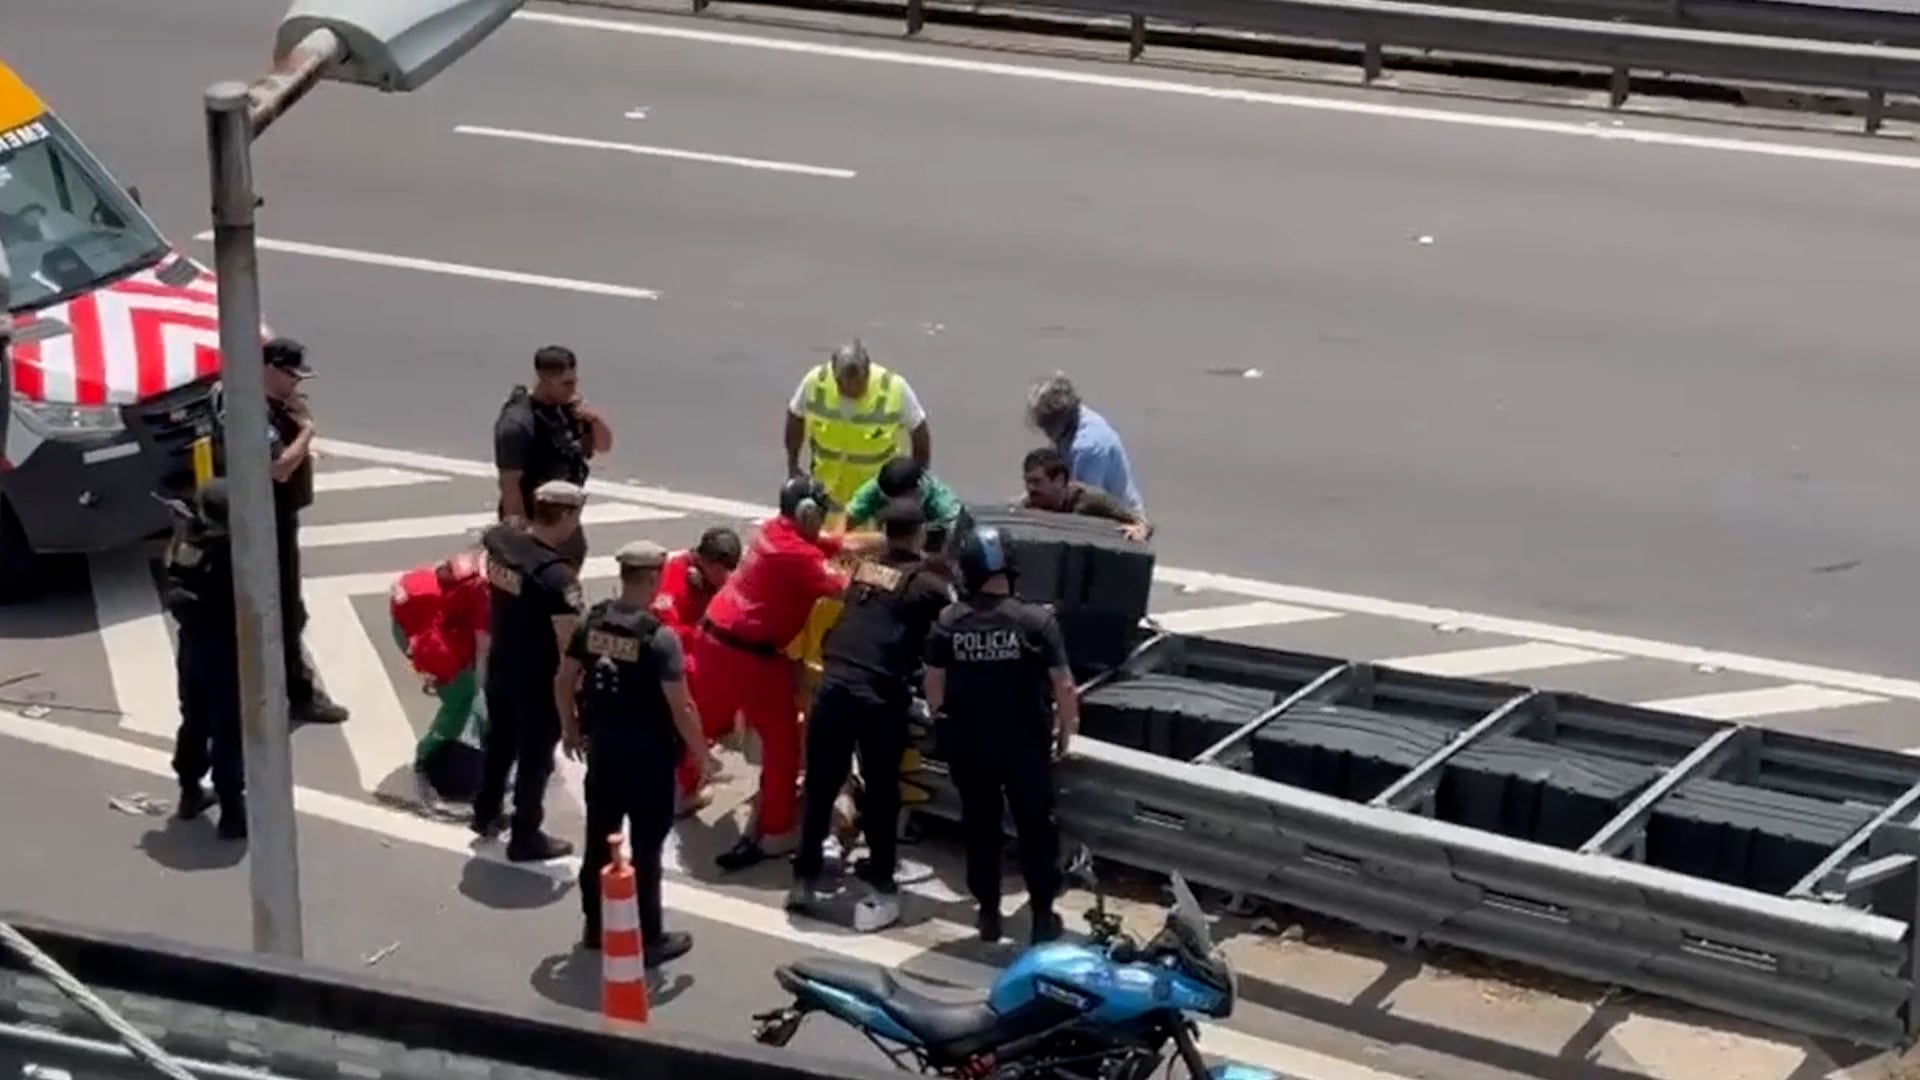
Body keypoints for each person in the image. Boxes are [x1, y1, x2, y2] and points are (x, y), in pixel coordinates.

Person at [693, 477, 885, 872]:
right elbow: (847, 587)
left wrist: (882, 540)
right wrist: (893, 572)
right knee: (782, 742)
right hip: (749, 656)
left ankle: (681, 788)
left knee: (706, 719)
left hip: (713, 639)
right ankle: (775, 832)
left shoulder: (773, 532)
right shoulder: (798, 557)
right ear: (808, 514)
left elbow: (838, 544)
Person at [789, 499, 955, 932]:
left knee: (821, 786)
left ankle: (804, 879)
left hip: (833, 685)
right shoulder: (927, 584)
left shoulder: (864, 570)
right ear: (920, 534)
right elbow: (953, 626)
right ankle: (882, 880)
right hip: (878, 695)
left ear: (883, 530)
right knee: (882, 791)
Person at [924, 524, 1080, 945]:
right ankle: (1042, 915)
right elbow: (1064, 686)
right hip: (1025, 747)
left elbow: (934, 686)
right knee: (1036, 829)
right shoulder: (1036, 622)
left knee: (980, 828)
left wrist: (944, 721)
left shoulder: (949, 623)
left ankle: (989, 914)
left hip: (970, 747)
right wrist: (1066, 731)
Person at [559, 540, 708, 966]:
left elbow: (564, 679)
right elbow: (681, 708)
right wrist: (702, 754)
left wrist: (570, 727)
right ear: (653, 578)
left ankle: (594, 926)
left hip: (604, 753)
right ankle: (650, 937)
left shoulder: (592, 623)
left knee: (598, 841)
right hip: (648, 762)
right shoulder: (660, 639)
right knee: (646, 850)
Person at [471, 480, 588, 862]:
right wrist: (575, 695)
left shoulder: (501, 543)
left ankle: (485, 811)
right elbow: (569, 645)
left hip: (501, 663)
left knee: (500, 743)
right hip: (537, 680)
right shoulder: (558, 579)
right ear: (566, 515)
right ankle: (525, 835)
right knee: (535, 760)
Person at [264, 338, 348, 726]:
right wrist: (307, 430)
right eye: (291, 376)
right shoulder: (261, 412)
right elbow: (279, 467)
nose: (296, 384)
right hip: (269, 521)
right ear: (269, 369)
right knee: (285, 610)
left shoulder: (279, 406)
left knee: (288, 609)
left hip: (279, 517)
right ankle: (297, 693)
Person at [162, 480, 247, 840]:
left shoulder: (192, 548)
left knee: (194, 721)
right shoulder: (239, 554)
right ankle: (232, 810)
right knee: (228, 731)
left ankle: (189, 791)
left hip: (194, 648)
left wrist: (182, 530)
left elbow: (172, 572)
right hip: (227, 651)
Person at [494, 345, 612, 570]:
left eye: (574, 381)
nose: (573, 389)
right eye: (566, 383)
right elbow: (510, 486)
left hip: (566, 520)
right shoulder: (518, 424)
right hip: (536, 523)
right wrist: (519, 536)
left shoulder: (568, 410)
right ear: (545, 379)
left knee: (566, 576)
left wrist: (594, 419)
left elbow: (603, 446)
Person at [389, 547, 491, 802]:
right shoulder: (486, 592)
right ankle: (426, 757)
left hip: (412, 624)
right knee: (461, 700)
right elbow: (483, 647)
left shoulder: (484, 559)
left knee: (470, 694)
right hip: (429, 638)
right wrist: (482, 687)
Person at [655, 526, 744, 812]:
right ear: (707, 561)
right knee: (694, 709)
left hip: (701, 651)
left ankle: (703, 752)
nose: (728, 576)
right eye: (723, 569)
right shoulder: (675, 574)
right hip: (676, 659)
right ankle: (685, 788)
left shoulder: (713, 578)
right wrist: (705, 633)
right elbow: (668, 629)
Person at [784, 340, 932, 510]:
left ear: (868, 372)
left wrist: (915, 482)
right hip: (825, 495)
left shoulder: (894, 388)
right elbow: (795, 415)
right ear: (834, 374)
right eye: (843, 383)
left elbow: (919, 431)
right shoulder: (816, 382)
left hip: (874, 500)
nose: (850, 389)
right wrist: (793, 466)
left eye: (858, 383)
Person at [1025, 372, 1143, 515]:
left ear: (1059, 415)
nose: (1043, 428)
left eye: (1046, 423)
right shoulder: (1068, 424)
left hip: (1117, 519)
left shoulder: (1088, 447)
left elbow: (1086, 503)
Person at [1018, 447, 1152, 542]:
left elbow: (1141, 523)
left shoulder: (1091, 500)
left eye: (1037, 482)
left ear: (1059, 480)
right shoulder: (1028, 502)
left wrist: (1139, 530)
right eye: (1028, 482)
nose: (1030, 488)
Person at [842, 456, 963, 545]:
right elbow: (844, 524)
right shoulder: (876, 488)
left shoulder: (943, 505)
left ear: (915, 491)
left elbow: (955, 541)